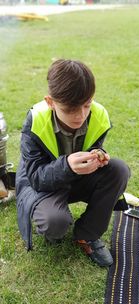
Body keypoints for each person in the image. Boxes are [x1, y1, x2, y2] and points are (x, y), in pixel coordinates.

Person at [16, 59, 130, 267]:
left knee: (119, 170)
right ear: (50, 102)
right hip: (42, 186)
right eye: (70, 109)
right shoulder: (35, 120)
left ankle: (87, 234)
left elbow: (94, 146)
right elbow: (35, 178)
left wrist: (98, 155)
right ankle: (54, 220)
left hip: (77, 177)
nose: (80, 116)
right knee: (55, 222)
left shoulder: (99, 115)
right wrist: (67, 166)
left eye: (86, 105)